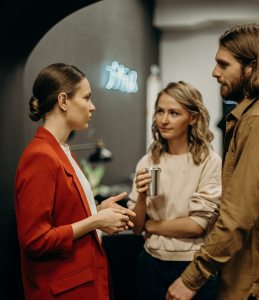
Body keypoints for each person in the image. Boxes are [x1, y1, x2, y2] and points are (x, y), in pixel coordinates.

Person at [167, 23, 259, 300]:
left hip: (256, 283)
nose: (215, 73)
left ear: (251, 67)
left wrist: (191, 279)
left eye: (223, 65)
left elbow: (238, 214)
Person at [15, 63, 136, 300]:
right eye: (87, 97)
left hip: (83, 282)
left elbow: (64, 216)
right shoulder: (40, 155)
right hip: (64, 290)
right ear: (63, 101)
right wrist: (95, 221)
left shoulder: (61, 150)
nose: (92, 106)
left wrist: (98, 210)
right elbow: (36, 240)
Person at [127, 81, 222, 300]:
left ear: (193, 118)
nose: (164, 120)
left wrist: (152, 225)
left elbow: (196, 226)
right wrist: (141, 196)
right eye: (160, 111)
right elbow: (136, 227)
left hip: (192, 265)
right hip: (150, 263)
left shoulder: (208, 161)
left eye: (174, 113)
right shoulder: (148, 161)